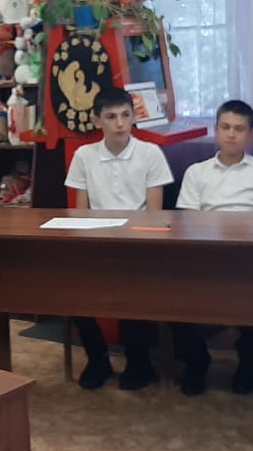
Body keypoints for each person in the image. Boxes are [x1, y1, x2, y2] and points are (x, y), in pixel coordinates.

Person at [172, 99, 253, 395]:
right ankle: (196, 360)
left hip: (252, 258)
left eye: (239, 129)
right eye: (225, 127)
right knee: (169, 292)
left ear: (250, 134)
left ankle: (249, 362)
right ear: (216, 130)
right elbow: (188, 221)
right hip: (204, 255)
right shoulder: (196, 172)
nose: (231, 134)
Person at [64, 86, 173, 390]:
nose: (120, 124)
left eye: (126, 115)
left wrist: (128, 238)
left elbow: (154, 215)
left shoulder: (150, 153)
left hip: (139, 243)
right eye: (111, 117)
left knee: (131, 287)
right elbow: (80, 213)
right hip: (97, 242)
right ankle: (97, 359)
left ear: (134, 117)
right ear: (97, 121)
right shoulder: (84, 156)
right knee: (69, 287)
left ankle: (139, 362)